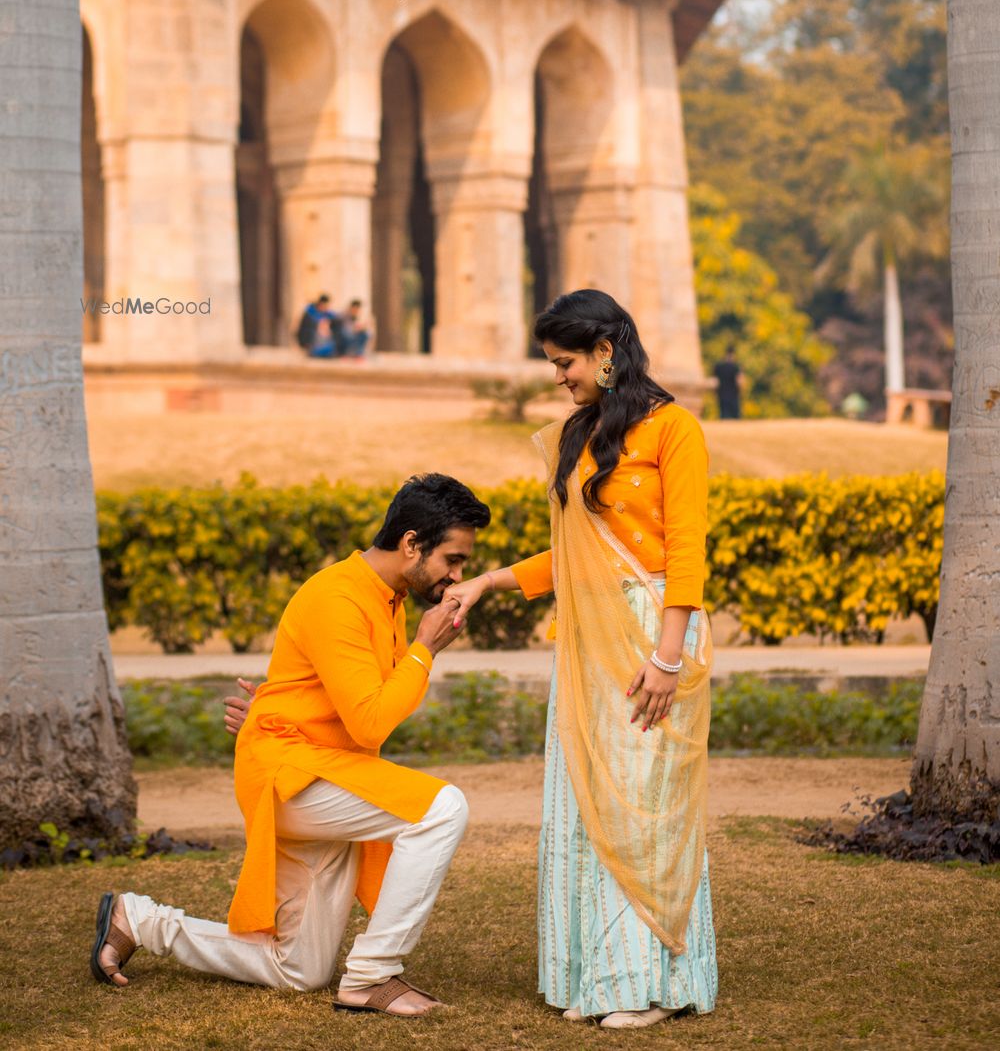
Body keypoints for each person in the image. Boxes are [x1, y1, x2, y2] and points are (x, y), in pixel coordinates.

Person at [90, 474, 492, 1018]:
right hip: (292, 777)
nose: (457, 576)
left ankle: (139, 921)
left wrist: (277, 707)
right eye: (453, 558)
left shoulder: (387, 599)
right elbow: (372, 721)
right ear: (412, 543)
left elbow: (354, 703)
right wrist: (424, 650)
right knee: (442, 808)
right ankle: (374, 975)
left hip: (320, 767)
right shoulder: (338, 596)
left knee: (297, 970)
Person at [447, 289, 716, 1028]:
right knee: (586, 800)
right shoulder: (577, 434)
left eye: (564, 362)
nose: (558, 377)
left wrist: (667, 659)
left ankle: (650, 982)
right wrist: (494, 582)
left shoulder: (673, 430)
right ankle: (595, 975)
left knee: (642, 803)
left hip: (652, 634)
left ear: (605, 350)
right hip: (588, 636)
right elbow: (577, 555)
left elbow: (685, 551)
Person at [295, 293, 344, 358]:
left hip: (324, 340)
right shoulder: (309, 313)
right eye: (324, 306)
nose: (326, 307)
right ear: (320, 304)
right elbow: (304, 330)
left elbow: (337, 319)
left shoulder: (327, 313)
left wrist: (327, 323)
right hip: (312, 340)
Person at [713, 344, 743, 419]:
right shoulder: (736, 367)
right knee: (735, 417)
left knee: (723, 416)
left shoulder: (719, 367)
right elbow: (739, 381)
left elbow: (715, 382)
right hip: (733, 395)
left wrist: (715, 392)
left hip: (722, 394)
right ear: (733, 354)